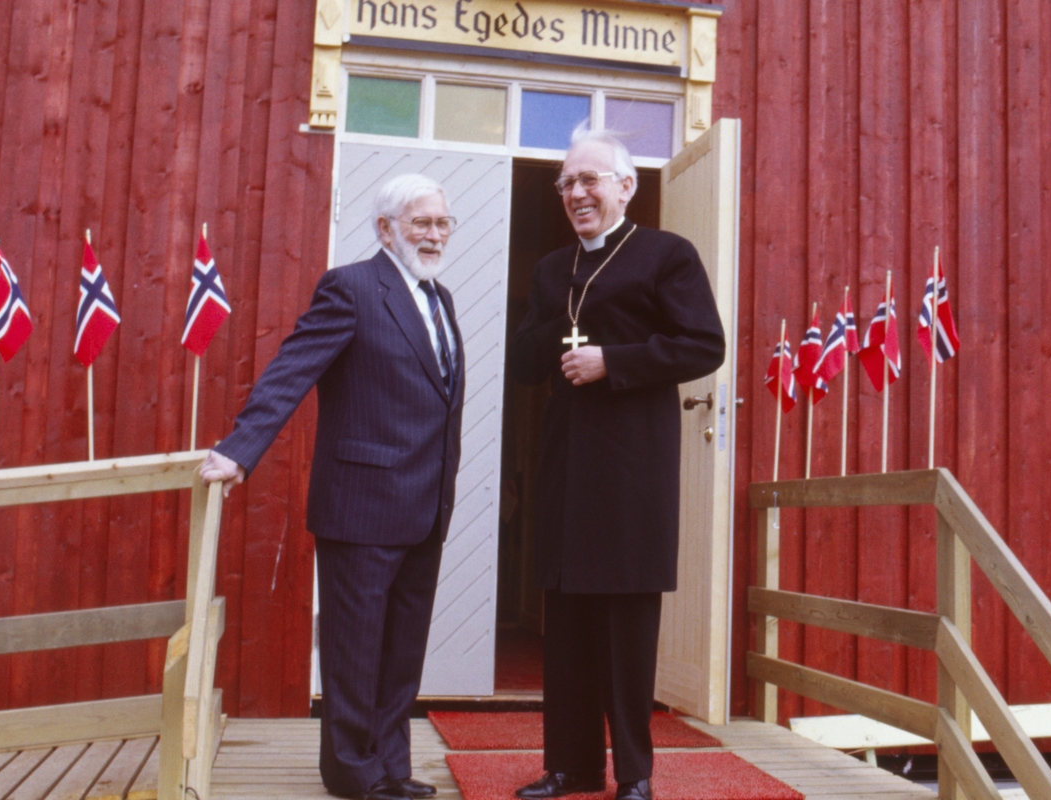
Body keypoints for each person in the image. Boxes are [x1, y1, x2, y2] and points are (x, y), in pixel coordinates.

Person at [199, 174, 464, 800]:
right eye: (420, 223)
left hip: (426, 505)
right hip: (362, 505)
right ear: (385, 228)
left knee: (403, 649)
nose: (432, 235)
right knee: (356, 648)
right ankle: (352, 774)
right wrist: (241, 449)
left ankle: (392, 767)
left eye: (441, 223)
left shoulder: (442, 297)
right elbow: (293, 367)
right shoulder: (351, 288)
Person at [508, 131, 725, 800]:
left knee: (627, 627)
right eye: (567, 183)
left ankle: (635, 773)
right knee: (567, 623)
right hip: (567, 466)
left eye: (590, 180)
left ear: (625, 187)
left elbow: (704, 344)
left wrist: (614, 360)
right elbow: (523, 362)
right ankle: (571, 766)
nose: (577, 193)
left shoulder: (667, 255)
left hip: (633, 468)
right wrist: (559, 334)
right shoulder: (551, 269)